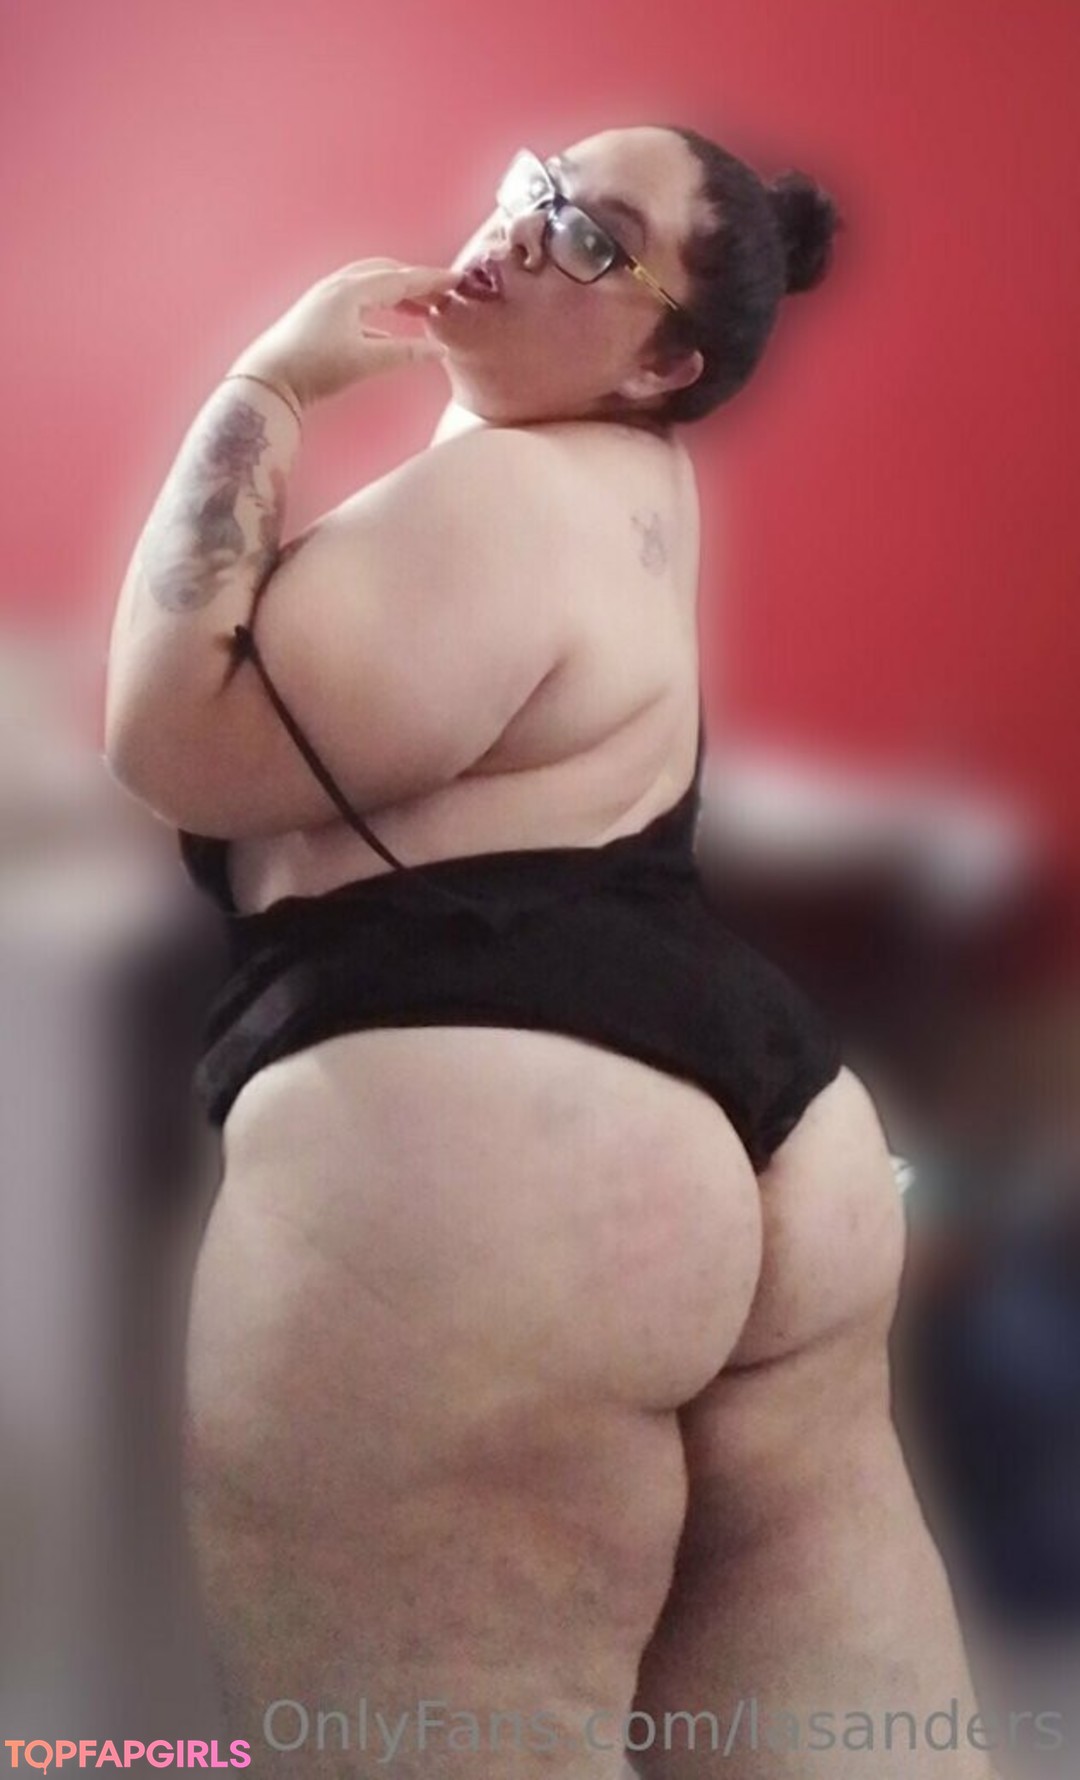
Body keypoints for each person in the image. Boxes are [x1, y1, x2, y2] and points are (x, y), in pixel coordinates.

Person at [105, 126, 997, 1778]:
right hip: (775, 1144)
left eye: (594, 236)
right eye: (544, 185)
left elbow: (170, 740)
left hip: (495, 1172)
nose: (527, 229)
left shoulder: (509, 493)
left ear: (664, 365)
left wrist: (270, 386)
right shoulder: (634, 495)